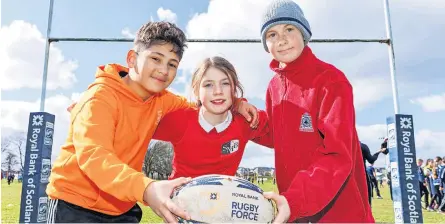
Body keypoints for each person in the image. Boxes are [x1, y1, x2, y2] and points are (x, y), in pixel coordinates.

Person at [45, 21, 259, 223]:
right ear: (131, 59)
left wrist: (236, 103)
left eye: (172, 64)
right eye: (155, 59)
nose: (163, 70)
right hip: (74, 207)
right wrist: (147, 188)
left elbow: (201, 103)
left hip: (123, 208)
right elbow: (95, 158)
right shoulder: (99, 99)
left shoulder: (164, 100)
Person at [255, 0, 374, 222]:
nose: (281, 39)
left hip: (340, 213)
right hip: (296, 211)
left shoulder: (331, 80)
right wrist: (248, 118)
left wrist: (295, 199)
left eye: (288, 29)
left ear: (304, 33)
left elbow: (337, 154)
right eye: (271, 34)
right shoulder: (274, 86)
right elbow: (276, 135)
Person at [152, 56, 271, 180]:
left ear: (234, 88)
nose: (218, 91)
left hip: (223, 197)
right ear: (196, 91)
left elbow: (280, 135)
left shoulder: (246, 119)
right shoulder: (180, 119)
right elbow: (139, 121)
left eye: (225, 83)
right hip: (181, 196)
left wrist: (236, 103)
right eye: (208, 85)